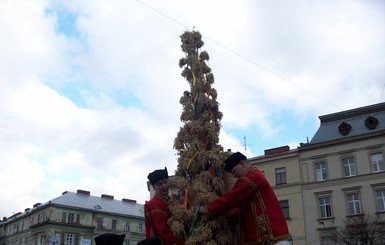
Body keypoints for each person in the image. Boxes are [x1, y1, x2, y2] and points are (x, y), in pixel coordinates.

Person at [199, 152, 291, 245]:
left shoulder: (250, 178)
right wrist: (225, 215)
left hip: (271, 239)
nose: (235, 176)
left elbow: (230, 200)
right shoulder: (256, 176)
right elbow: (244, 211)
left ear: (242, 163)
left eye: (234, 171)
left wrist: (206, 209)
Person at [143, 167, 184, 245]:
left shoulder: (169, 201)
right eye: (159, 184)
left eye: (165, 182)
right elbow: (164, 232)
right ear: (154, 187)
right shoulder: (153, 204)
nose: (164, 186)